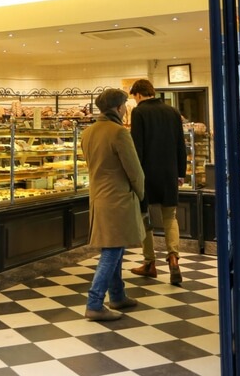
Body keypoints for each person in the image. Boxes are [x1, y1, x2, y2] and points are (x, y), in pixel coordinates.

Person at [80, 88, 145, 321]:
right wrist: (140, 192)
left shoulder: (87, 132)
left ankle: (117, 295)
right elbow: (134, 170)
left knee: (115, 246)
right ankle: (94, 303)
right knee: (112, 251)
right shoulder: (118, 133)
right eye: (125, 106)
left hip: (98, 198)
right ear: (119, 108)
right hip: (117, 199)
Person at [128, 78, 187, 285]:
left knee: (146, 217)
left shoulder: (139, 112)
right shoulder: (172, 111)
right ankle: (173, 259)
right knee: (170, 216)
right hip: (169, 173)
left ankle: (149, 263)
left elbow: (137, 147)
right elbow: (181, 144)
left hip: (147, 173)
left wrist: (134, 176)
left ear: (138, 95)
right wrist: (181, 172)